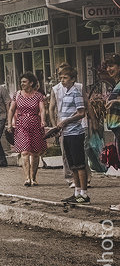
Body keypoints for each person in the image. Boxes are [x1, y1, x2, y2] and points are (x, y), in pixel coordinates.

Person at [50, 66, 89, 203]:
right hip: (66, 132)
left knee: (79, 164)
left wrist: (66, 121)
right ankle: (76, 192)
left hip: (75, 132)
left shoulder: (75, 93)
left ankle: (84, 194)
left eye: (65, 78)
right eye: (61, 78)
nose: (62, 80)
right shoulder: (65, 93)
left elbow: (81, 112)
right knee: (72, 165)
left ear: (73, 79)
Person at [7, 72, 47, 187]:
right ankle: (27, 178)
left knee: (35, 153)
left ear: (31, 83)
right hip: (21, 125)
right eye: (21, 82)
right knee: (24, 152)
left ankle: (33, 177)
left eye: (24, 82)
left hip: (35, 124)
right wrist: (10, 123)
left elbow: (42, 109)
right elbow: (11, 110)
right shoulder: (17, 95)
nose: (22, 84)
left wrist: (43, 120)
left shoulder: (38, 95)